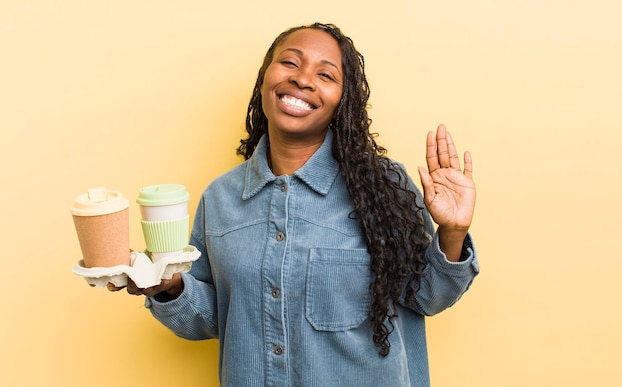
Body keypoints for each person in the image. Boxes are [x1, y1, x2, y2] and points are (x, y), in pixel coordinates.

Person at [113, 22, 479, 386]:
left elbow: (428, 296)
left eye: (325, 74)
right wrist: (170, 286)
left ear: (342, 100)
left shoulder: (381, 188)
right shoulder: (220, 198)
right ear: (264, 78)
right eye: (290, 63)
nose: (303, 79)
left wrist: (453, 231)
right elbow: (219, 316)